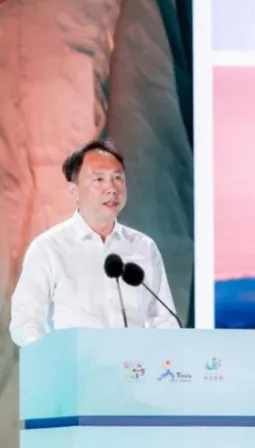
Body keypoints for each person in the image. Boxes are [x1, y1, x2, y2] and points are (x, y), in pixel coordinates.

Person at [9, 140, 179, 347]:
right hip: (73, 364)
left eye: (118, 178)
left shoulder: (143, 247)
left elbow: (165, 320)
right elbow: (26, 321)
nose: (112, 188)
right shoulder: (49, 248)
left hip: (135, 365)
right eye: (99, 179)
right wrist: (50, 356)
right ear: (74, 190)